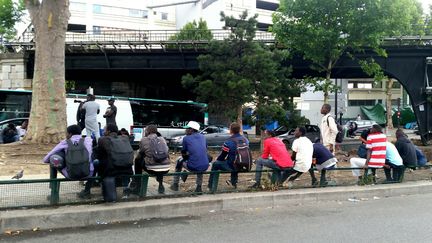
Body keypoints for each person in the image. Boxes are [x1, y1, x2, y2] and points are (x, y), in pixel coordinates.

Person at [80, 124, 133, 199]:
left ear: (108, 131)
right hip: (128, 169)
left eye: (104, 130)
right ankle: (125, 189)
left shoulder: (103, 139)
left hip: (111, 170)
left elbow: (99, 154)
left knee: (96, 162)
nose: (103, 132)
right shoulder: (125, 138)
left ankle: (92, 188)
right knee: (123, 162)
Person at [171, 121, 209, 193]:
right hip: (205, 166)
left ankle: (175, 184)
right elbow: (204, 149)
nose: (185, 130)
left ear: (192, 129)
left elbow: (183, 153)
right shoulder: (203, 137)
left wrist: (187, 158)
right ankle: (199, 187)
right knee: (200, 162)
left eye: (187, 128)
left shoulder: (186, 138)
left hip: (193, 166)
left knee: (179, 160)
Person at [208, 122, 248, 190]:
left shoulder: (228, 142)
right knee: (235, 161)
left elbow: (223, 156)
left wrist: (218, 159)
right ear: (239, 130)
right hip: (244, 164)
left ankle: (211, 186)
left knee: (215, 164)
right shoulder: (245, 140)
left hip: (232, 166)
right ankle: (233, 183)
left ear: (231, 130)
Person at [133, 125, 170, 194]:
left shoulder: (144, 140)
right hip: (166, 168)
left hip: (152, 169)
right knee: (160, 161)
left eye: (145, 130)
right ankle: (160, 183)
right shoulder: (162, 139)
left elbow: (139, 154)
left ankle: (137, 185)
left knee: (137, 160)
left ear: (148, 131)